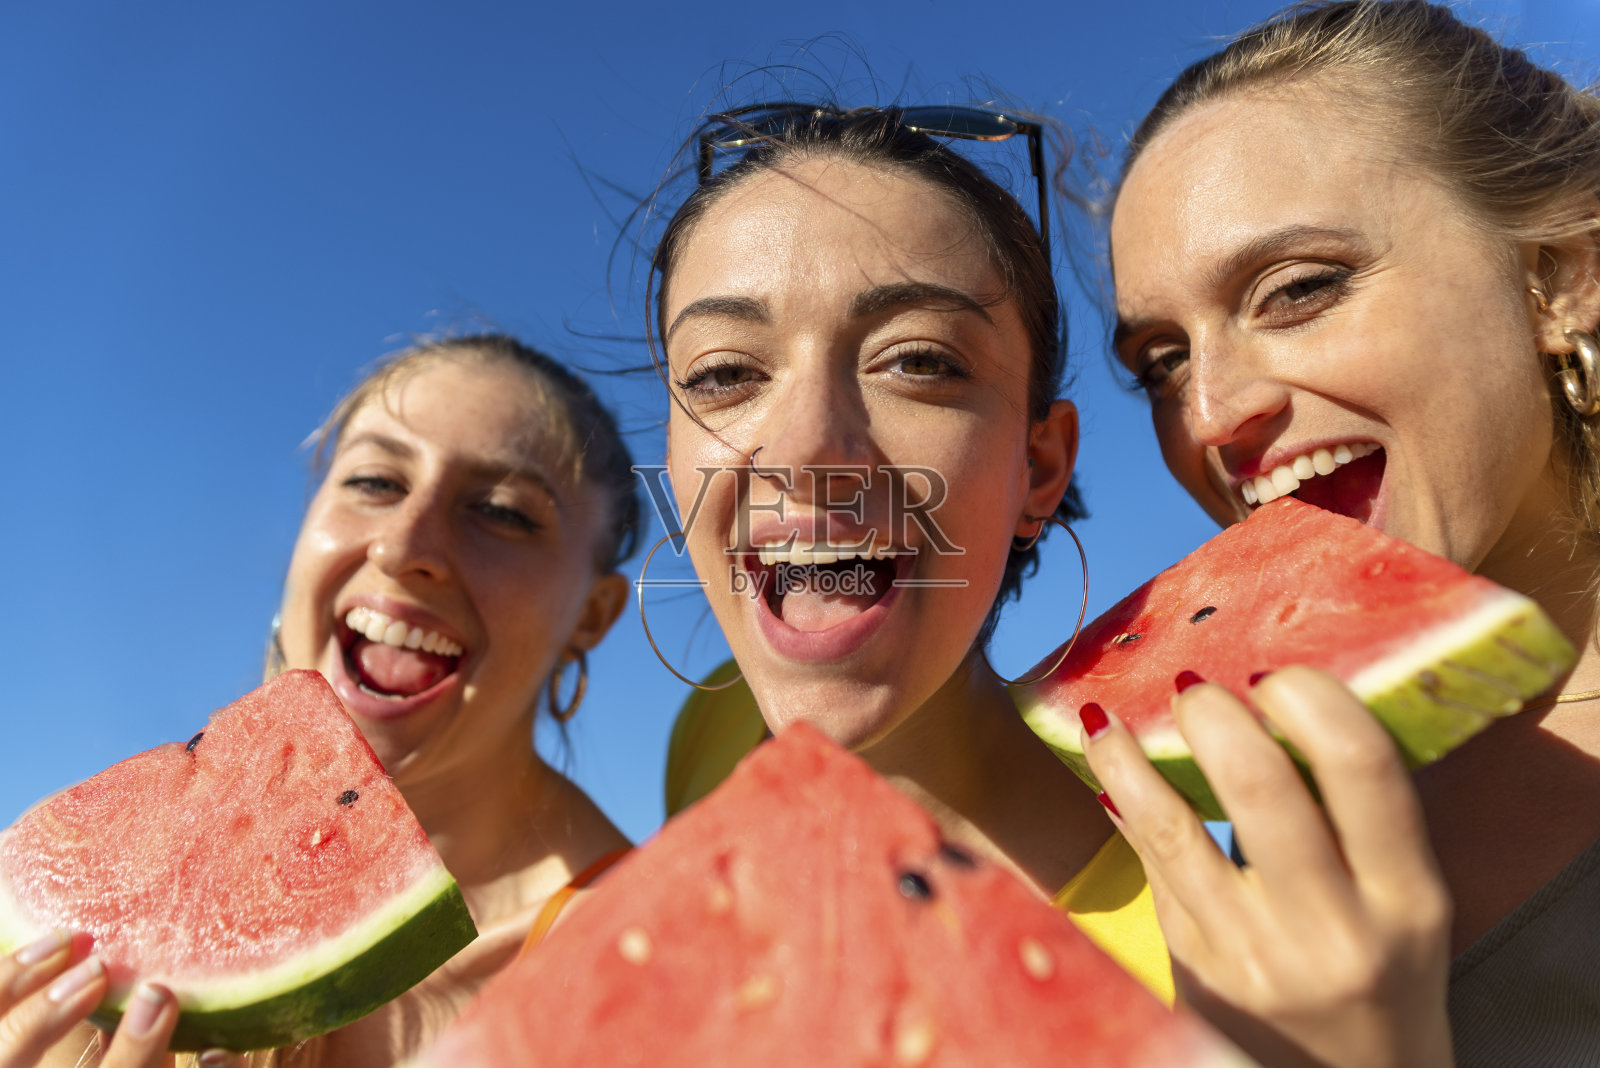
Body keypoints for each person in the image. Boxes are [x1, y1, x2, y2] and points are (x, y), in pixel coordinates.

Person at [1097, 2, 1600, 1065]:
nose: (1208, 414)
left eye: (1297, 290)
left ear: (1559, 277)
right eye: (1161, 362)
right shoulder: (1280, 804)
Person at [643, 103, 1173, 1000]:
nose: (805, 450)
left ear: (1040, 467)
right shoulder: (712, 733)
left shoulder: (1198, 968)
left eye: (918, 361)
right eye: (724, 373)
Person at [1, 334, 639, 1067]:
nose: (401, 546)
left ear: (592, 615)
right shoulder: (86, 903)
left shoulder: (656, 968)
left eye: (501, 511)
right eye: (375, 481)